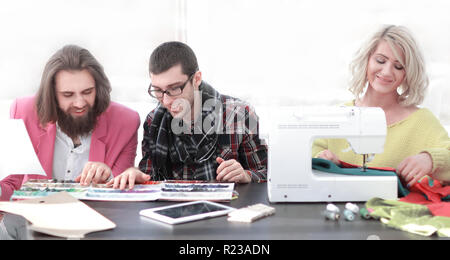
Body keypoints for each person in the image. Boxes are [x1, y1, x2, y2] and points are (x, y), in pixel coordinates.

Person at [108, 41, 267, 189]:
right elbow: (150, 178)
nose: (166, 101)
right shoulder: (153, 121)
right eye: (157, 90)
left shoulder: (239, 114)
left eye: (175, 88)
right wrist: (136, 175)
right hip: (171, 215)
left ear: (196, 79)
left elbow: (267, 174)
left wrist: (245, 175)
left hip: (227, 214)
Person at [313, 25, 450, 187]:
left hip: (389, 209)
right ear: (367, 59)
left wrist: (430, 159)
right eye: (380, 60)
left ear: (408, 73)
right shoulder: (337, 116)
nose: (386, 72)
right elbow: (309, 155)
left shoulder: (421, 121)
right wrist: (323, 160)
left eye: (398, 66)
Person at [0, 45, 140, 201]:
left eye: (88, 92)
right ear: (52, 94)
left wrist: (108, 177)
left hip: (95, 221)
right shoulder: (22, 112)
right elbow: (12, 186)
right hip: (36, 220)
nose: (79, 103)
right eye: (68, 94)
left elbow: (122, 194)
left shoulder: (126, 122)